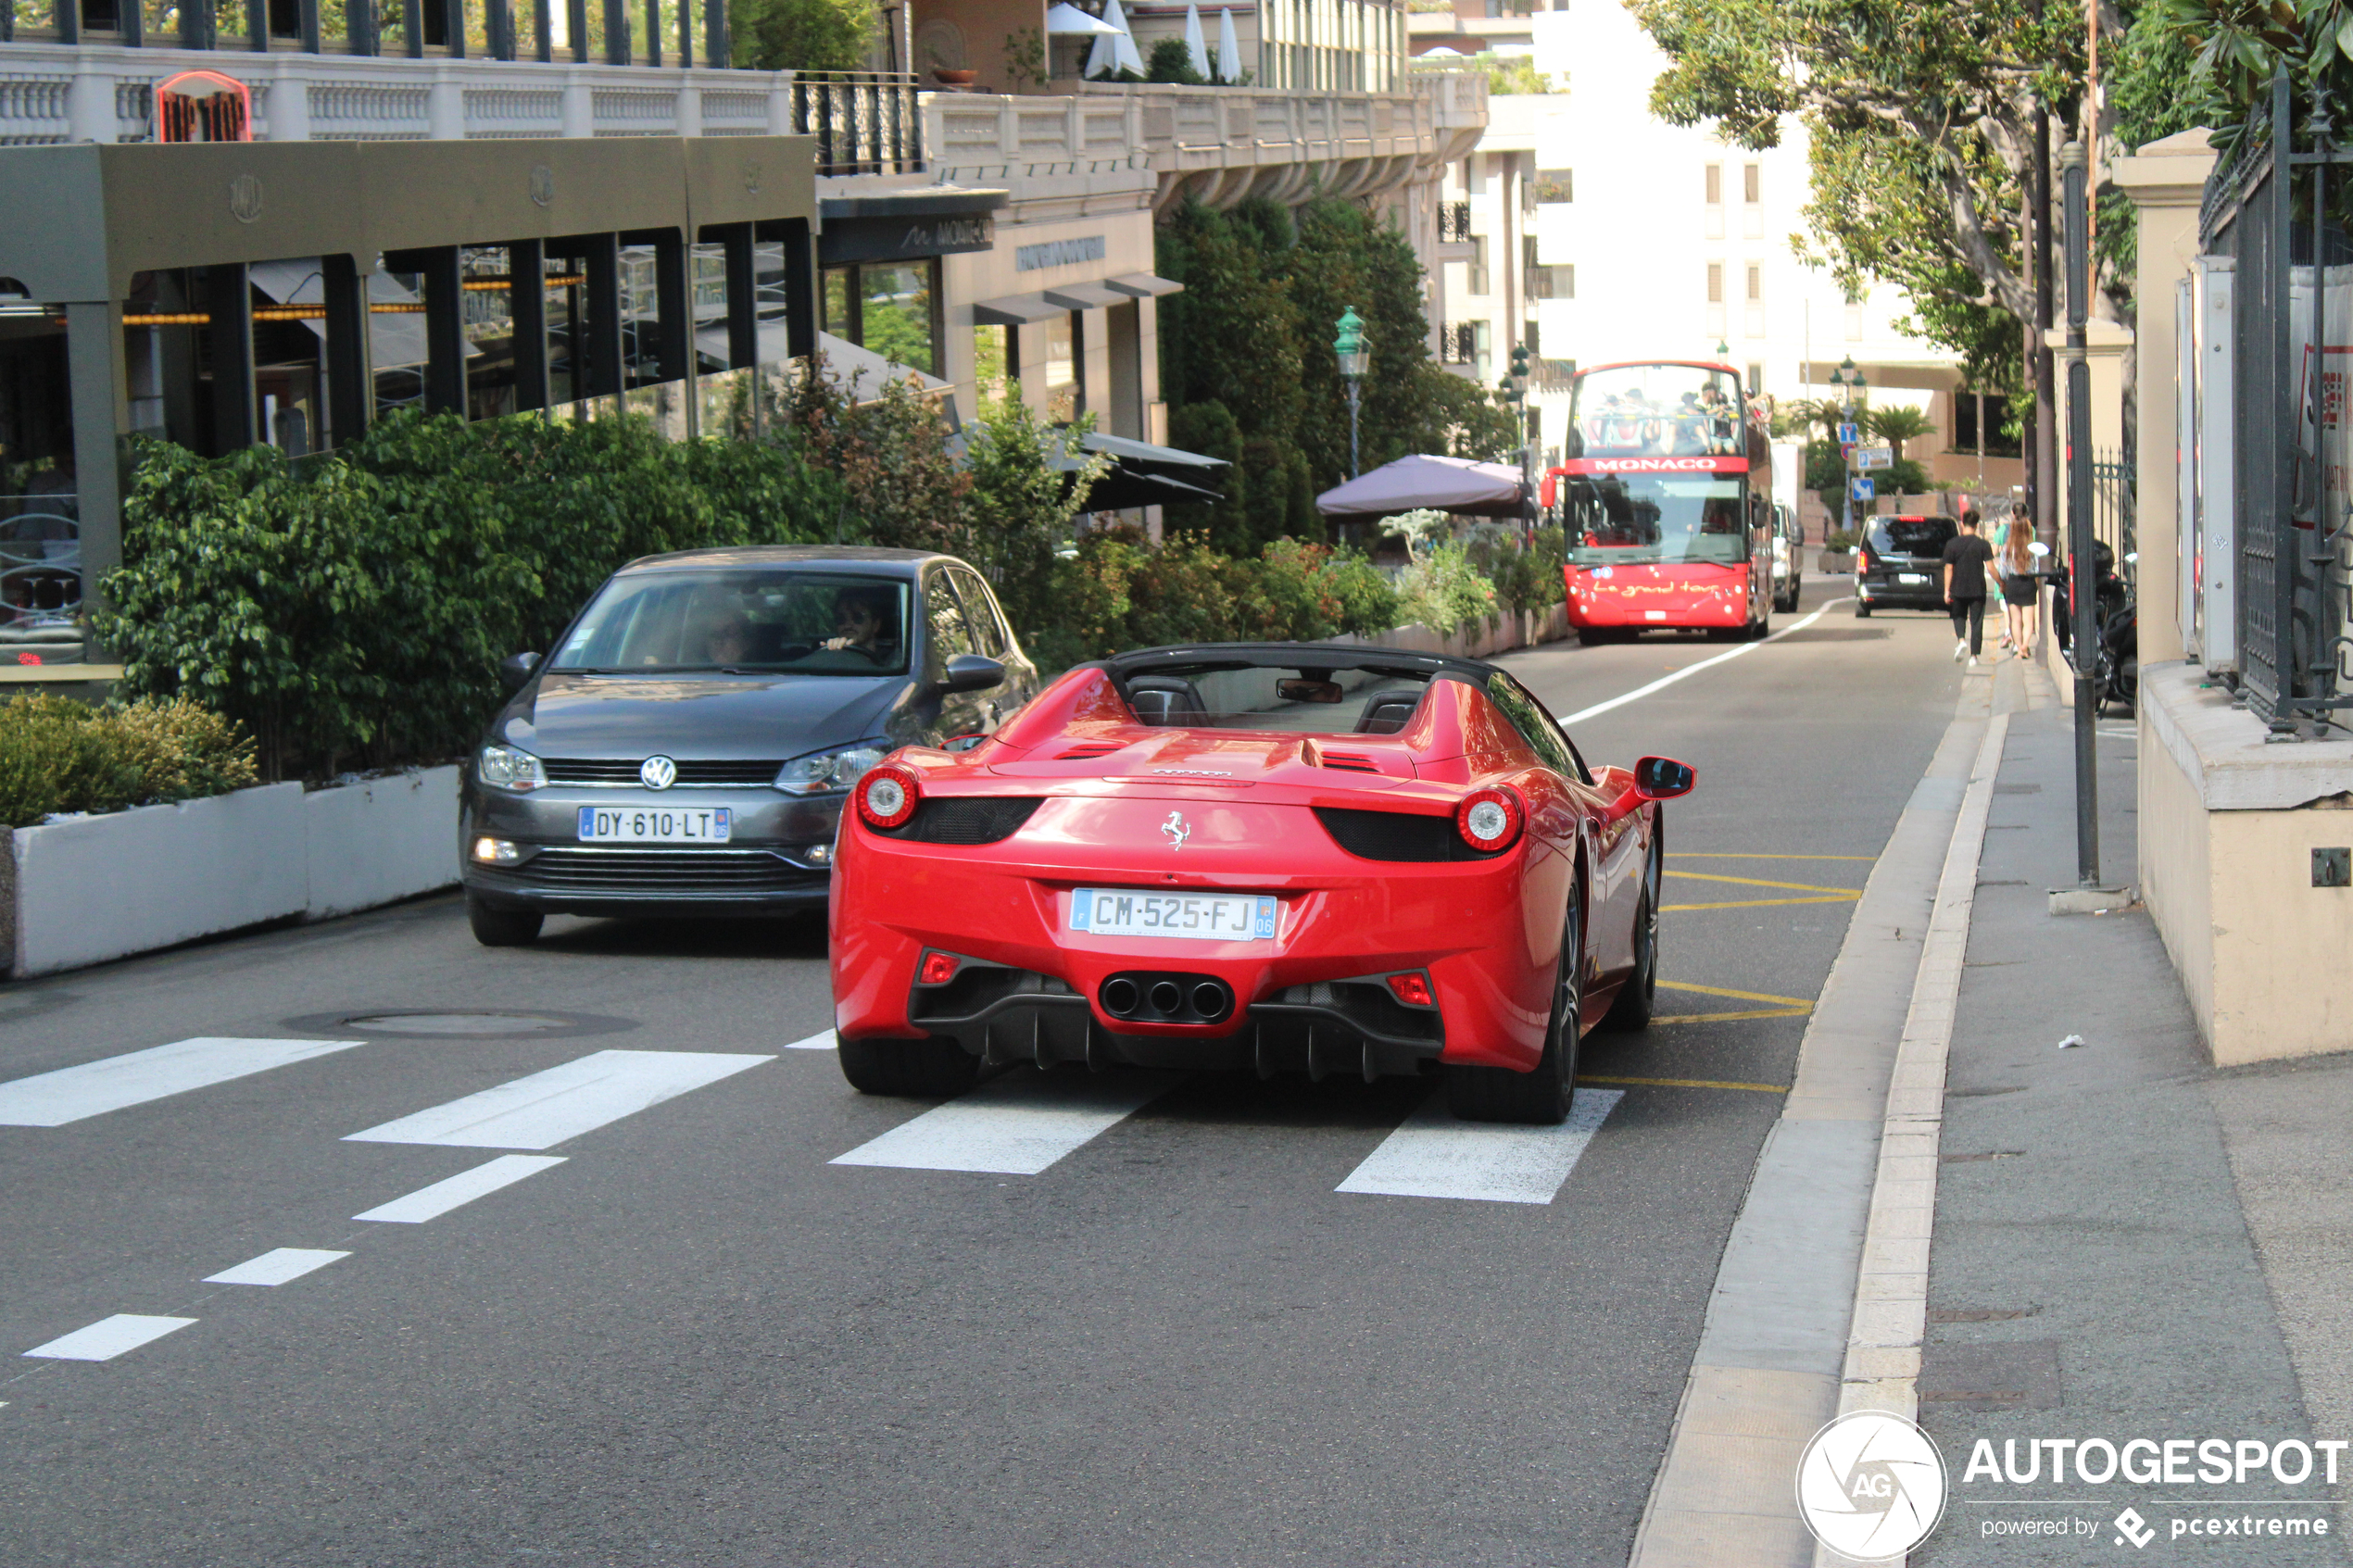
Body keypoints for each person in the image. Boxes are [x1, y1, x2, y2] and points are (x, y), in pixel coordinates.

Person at [1941, 509, 1995, 666]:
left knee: (1959, 616)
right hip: (1978, 588)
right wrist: (2000, 582)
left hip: (1958, 588)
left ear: (1962, 523)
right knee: (1977, 621)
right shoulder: (1983, 544)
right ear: (1977, 525)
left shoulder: (1952, 544)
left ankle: (1961, 640)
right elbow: (1991, 568)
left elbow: (1949, 568)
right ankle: (1974, 656)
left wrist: (1946, 590)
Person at [1996, 505, 2040, 660]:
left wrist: (2003, 583)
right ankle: (2025, 646)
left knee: (2016, 620)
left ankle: (2018, 645)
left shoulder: (2008, 548)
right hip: (2028, 583)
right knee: (2029, 621)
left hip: (2013, 584)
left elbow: (2002, 571)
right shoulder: (2033, 548)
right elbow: (2037, 569)